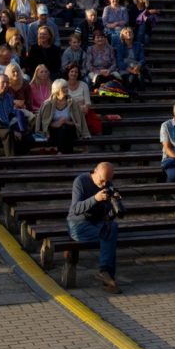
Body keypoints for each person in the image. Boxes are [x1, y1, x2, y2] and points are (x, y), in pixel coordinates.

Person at [67, 162, 122, 293]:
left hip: (97, 223)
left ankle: (106, 274)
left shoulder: (108, 184)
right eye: (102, 180)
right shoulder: (81, 181)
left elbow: (109, 215)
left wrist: (116, 204)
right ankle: (107, 275)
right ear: (95, 171)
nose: (104, 184)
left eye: (107, 181)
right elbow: (76, 209)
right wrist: (96, 198)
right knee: (109, 233)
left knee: (112, 228)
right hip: (78, 224)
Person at [35, 79, 89, 154]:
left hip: (71, 130)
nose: (66, 89)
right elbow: (44, 123)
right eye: (63, 88)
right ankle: (67, 156)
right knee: (62, 130)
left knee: (64, 129)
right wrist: (56, 124)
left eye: (66, 87)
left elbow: (78, 122)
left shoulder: (72, 102)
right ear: (57, 90)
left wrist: (66, 122)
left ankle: (61, 153)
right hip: (52, 132)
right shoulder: (47, 104)